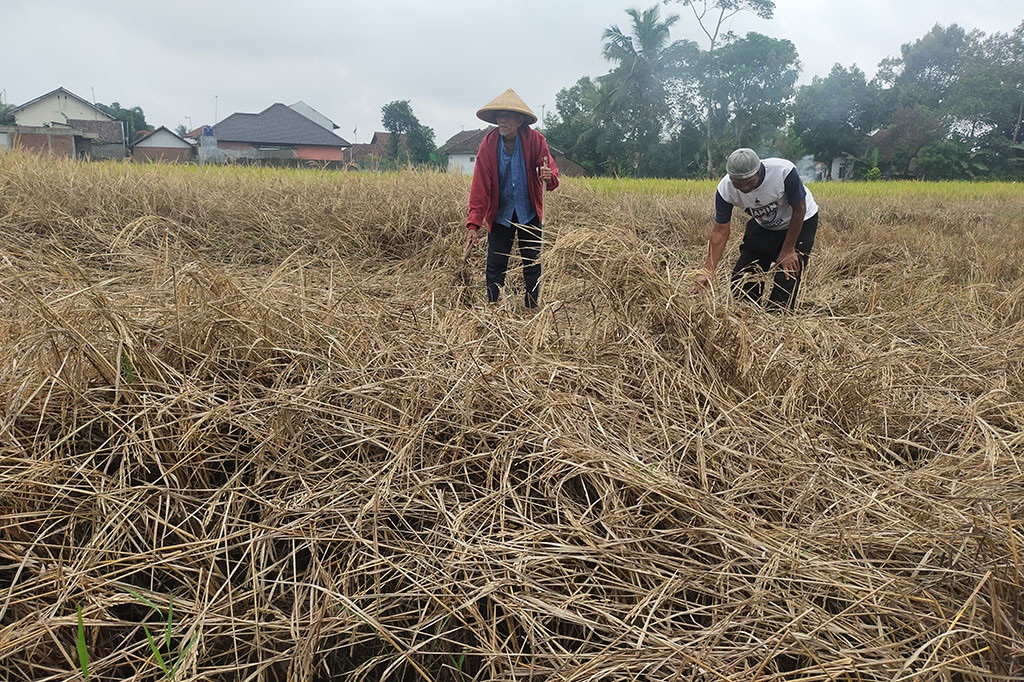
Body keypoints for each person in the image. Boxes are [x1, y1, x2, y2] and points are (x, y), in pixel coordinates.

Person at [464, 89, 559, 310]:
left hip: (529, 212)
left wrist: (549, 176)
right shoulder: (488, 145)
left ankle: (531, 307)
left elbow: (549, 169)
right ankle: (493, 308)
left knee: (532, 263)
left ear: (519, 120)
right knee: (495, 264)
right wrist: (473, 224)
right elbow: (480, 186)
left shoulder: (535, 140)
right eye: (499, 116)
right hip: (501, 214)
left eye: (507, 116)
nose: (501, 120)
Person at [694, 148, 819, 309]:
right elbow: (720, 231)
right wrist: (707, 271)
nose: (744, 188)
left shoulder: (783, 171)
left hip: (800, 221)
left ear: (759, 171)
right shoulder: (725, 189)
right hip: (763, 225)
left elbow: (799, 208)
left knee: (786, 280)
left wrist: (788, 250)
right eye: (738, 184)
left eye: (749, 182)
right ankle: (749, 317)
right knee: (743, 282)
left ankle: (776, 321)